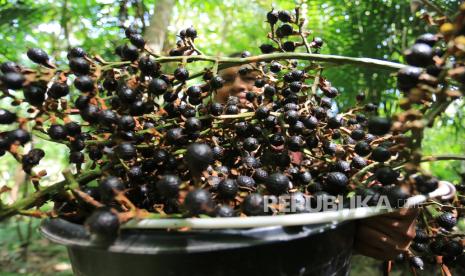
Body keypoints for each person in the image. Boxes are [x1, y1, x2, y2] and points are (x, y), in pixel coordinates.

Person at [213, 62, 419, 260]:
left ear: (274, 87)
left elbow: (368, 194)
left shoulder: (312, 146)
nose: (238, 85)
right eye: (225, 80)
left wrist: (382, 215)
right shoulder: (191, 150)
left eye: (250, 78)